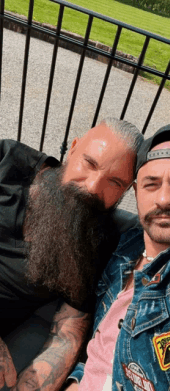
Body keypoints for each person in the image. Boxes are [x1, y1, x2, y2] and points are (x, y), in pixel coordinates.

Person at [68, 123, 170, 391]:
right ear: (136, 192)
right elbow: (104, 344)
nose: (163, 199)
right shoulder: (126, 245)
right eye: (151, 184)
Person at [0, 117, 143, 391]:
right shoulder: (7, 162)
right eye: (89, 164)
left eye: (114, 182)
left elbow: (68, 334)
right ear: (73, 148)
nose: (92, 187)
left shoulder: (97, 240)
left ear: (126, 191)